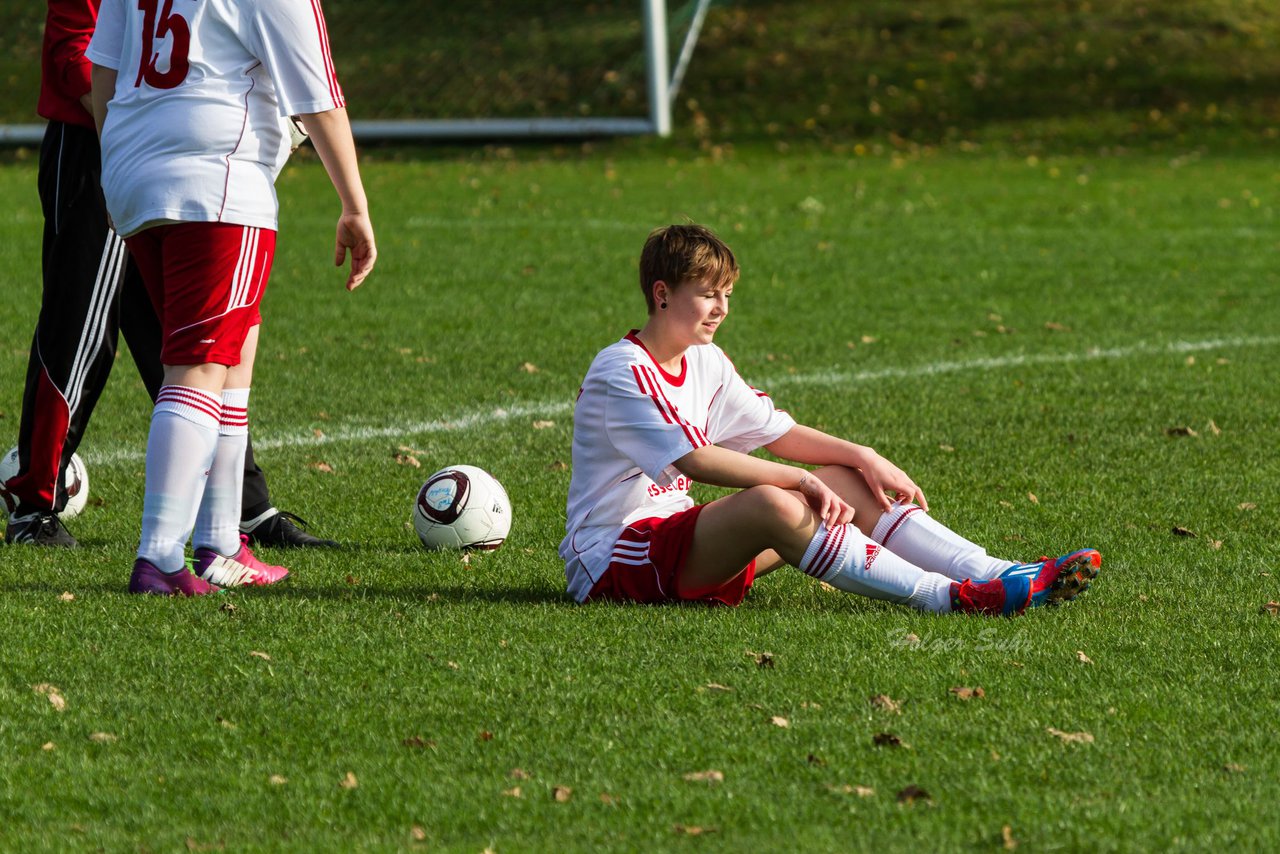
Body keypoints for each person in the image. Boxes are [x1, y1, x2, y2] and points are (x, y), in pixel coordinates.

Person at [560, 224, 1100, 615]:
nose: (722, 307)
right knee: (777, 498)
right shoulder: (622, 369)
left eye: (726, 294)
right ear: (661, 295)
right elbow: (694, 459)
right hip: (614, 558)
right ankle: (950, 599)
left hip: (680, 547)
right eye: (707, 294)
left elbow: (777, 432)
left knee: (845, 479)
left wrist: (861, 456)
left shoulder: (705, 359)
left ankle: (998, 575)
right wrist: (799, 480)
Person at [2, 0, 339, 551]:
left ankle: (240, 510)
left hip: (170, 155)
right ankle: (34, 503)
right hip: (102, 144)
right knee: (82, 324)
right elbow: (73, 54)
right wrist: (130, 135)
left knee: (194, 342)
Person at [87, 0, 375, 594]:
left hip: (133, 169)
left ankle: (221, 543)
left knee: (234, 343)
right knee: (197, 363)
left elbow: (104, 74)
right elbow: (317, 91)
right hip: (214, 178)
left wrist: (129, 157)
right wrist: (354, 204)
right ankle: (160, 556)